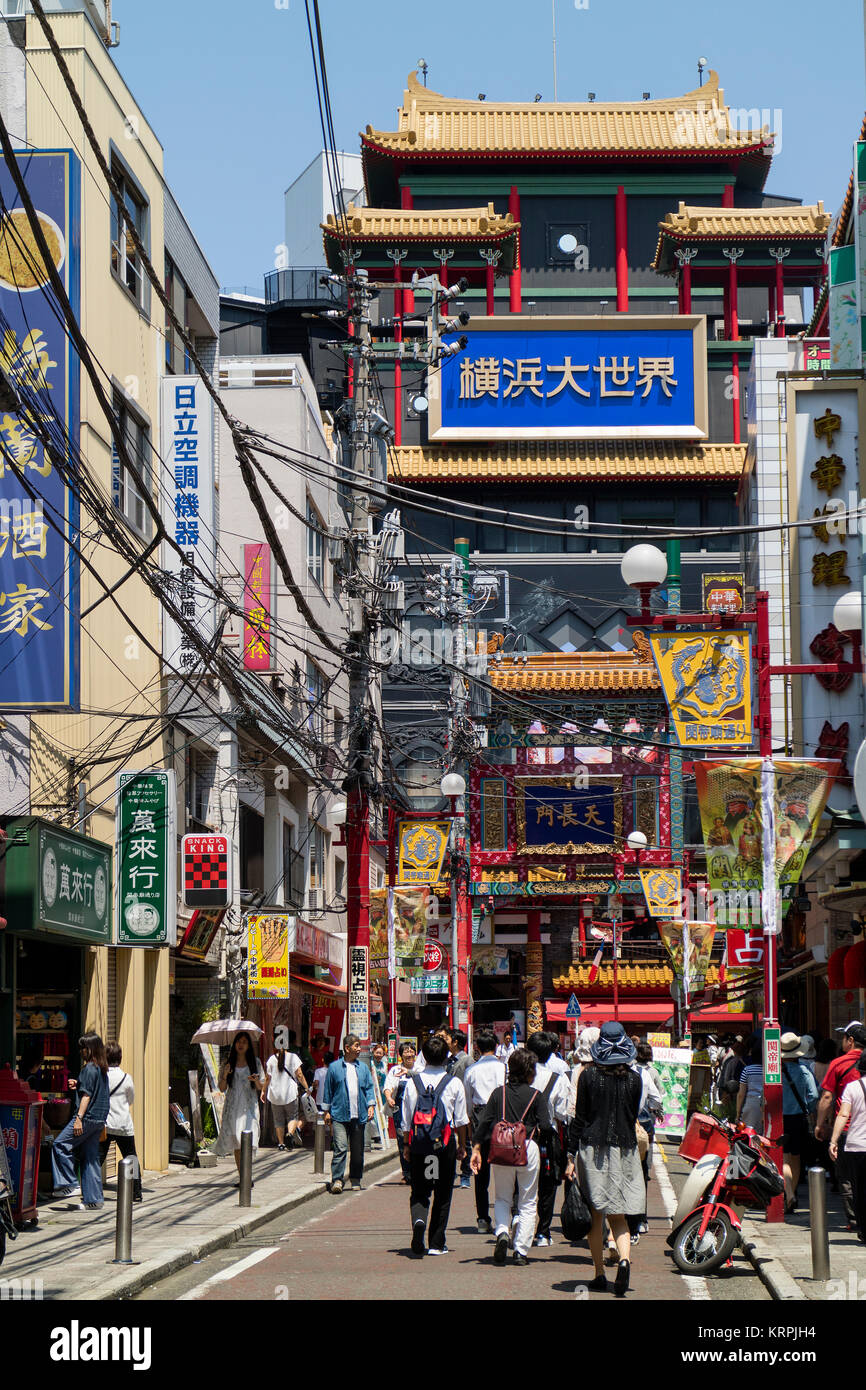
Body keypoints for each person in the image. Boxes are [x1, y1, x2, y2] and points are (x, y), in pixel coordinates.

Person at [565, 1022, 644, 1296]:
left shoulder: (588, 1077)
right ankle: (623, 1260)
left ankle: (599, 1273)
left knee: (596, 1215)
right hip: (625, 1149)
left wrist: (570, 1155)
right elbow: (633, 1116)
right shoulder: (635, 1079)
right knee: (619, 1215)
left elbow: (580, 1118)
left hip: (592, 1149)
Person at [471, 1048, 554, 1267]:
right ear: (530, 1071)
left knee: (502, 1197)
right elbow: (546, 1126)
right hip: (528, 1148)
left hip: (501, 1148)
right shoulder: (536, 1095)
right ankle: (520, 1251)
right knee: (527, 1201)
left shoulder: (499, 1093)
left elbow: (485, 1122)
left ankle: (501, 1233)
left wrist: (477, 1148)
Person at [402, 1034, 468, 1256]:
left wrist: (406, 1145)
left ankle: (419, 1220)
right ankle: (437, 1242)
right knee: (442, 1193)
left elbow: (406, 1119)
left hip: (420, 1144)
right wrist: (463, 1146)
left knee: (420, 1190)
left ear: (424, 1057)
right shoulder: (454, 1083)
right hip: (444, 1145)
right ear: (446, 1057)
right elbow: (461, 1120)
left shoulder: (413, 1083)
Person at [814, 1022, 866, 1231]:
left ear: (850, 1040)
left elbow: (827, 1096)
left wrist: (819, 1125)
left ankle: (855, 1220)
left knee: (847, 1178)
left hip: (848, 1131)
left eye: (844, 1038)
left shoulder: (838, 1063)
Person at [52, 1032, 110, 1211]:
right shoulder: (101, 1068)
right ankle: (94, 1200)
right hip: (99, 1119)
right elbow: (92, 1090)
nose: (81, 1051)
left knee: (60, 1144)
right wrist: (78, 1084)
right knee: (90, 1158)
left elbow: (87, 1096)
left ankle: (69, 1183)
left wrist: (78, 1119)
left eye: (83, 1047)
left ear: (90, 1049)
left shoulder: (88, 1069)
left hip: (86, 1118)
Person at [526, 1031, 569, 1246]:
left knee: (522, 1183)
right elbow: (563, 1114)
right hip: (547, 1136)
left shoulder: (518, 1075)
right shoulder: (557, 1079)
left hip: (521, 1136)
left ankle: (519, 1223)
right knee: (548, 1185)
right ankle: (542, 1232)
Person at [463, 1031, 507, 1233]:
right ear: (497, 1046)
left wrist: (471, 1126)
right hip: (502, 1118)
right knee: (506, 1168)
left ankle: (482, 1218)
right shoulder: (503, 1068)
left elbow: (468, 1102)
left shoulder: (471, 1070)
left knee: (480, 1171)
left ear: (477, 1048)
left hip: (481, 1117)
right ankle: (506, 1218)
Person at [322, 1034, 374, 1194]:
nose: (359, 1049)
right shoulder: (334, 1068)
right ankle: (337, 1179)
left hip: (359, 1115)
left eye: (359, 1046)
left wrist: (371, 1105)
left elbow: (369, 1088)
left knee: (357, 1151)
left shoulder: (363, 1068)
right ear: (347, 1048)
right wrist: (326, 1111)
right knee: (341, 1148)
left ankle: (356, 1178)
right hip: (339, 1114)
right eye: (356, 1046)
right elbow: (328, 1090)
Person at [215, 1031, 266, 1179]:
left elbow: (260, 1086)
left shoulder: (255, 1062)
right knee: (237, 1141)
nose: (241, 1044)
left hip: (249, 1106)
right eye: (238, 1041)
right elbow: (222, 1088)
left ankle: (247, 1176)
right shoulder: (227, 1063)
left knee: (248, 1141)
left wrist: (255, 1080)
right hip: (233, 1107)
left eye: (244, 1041)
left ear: (249, 1045)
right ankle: (243, 1177)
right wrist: (225, 1074)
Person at [829, 1048, 866, 1244]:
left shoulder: (852, 1088)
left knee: (859, 1189)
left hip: (856, 1145)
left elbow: (843, 1115)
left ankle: (863, 1228)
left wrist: (834, 1140)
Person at [628, 1042, 664, 1242]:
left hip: (618, 1131)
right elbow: (657, 1098)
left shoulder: (607, 1073)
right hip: (642, 1128)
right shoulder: (645, 1074)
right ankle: (639, 1221)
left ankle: (619, 1227)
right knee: (641, 1173)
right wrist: (649, 1110)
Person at [98, 1041, 142, 1203]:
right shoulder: (126, 1078)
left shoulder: (102, 1077)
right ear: (120, 1058)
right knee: (131, 1158)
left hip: (106, 1124)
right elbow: (131, 1099)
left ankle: (93, 1190)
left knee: (98, 1158)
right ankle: (136, 1192)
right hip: (124, 1124)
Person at [264, 1045, 311, 1151]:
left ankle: (281, 1144)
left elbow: (267, 1078)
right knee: (292, 1117)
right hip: (290, 1093)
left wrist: (263, 1090)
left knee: (278, 1120)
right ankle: (289, 1133)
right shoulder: (293, 1057)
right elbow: (299, 1074)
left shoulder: (271, 1059)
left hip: (275, 1095)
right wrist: (307, 1088)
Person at [384, 1042, 417, 1182]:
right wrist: (389, 1097)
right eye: (405, 1052)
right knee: (402, 1140)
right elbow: (388, 1086)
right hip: (399, 1110)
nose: (409, 1054)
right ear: (401, 1055)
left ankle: (417, 1169)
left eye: (411, 1051)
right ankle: (407, 1172)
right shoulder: (395, 1070)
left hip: (417, 1110)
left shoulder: (420, 1069)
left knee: (417, 1139)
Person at [736, 1043, 765, 1130]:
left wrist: (738, 1113)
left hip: (751, 1104)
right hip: (766, 1105)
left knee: (748, 1134)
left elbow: (741, 1094)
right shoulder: (769, 1072)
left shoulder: (747, 1070)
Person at [716, 1039, 746, 1121]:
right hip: (744, 1091)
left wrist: (726, 1091)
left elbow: (726, 1078)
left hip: (733, 1092)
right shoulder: (746, 1062)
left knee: (731, 1112)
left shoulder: (731, 1062)